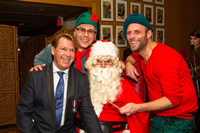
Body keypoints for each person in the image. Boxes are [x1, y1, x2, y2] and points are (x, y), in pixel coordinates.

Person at [121, 13, 198, 132]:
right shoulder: (142, 53)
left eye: (137, 32)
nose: (131, 36)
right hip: (160, 115)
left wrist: (138, 107)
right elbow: (131, 56)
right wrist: (128, 64)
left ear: (148, 34)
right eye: (129, 32)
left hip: (179, 119)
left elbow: (173, 99)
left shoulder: (164, 58)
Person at [17, 33, 103, 133]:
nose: (68, 54)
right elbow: (23, 111)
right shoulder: (36, 76)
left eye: (71, 50)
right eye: (63, 49)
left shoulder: (81, 79)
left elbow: (87, 112)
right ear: (53, 50)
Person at [76, 40, 149, 133]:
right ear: (92, 63)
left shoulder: (124, 86)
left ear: (113, 63)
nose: (103, 65)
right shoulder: (82, 83)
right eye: (98, 60)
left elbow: (141, 115)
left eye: (107, 61)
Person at [31, 12, 98, 74]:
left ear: (94, 36)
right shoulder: (58, 47)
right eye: (82, 30)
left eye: (90, 31)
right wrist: (41, 71)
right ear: (74, 33)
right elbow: (38, 59)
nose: (86, 35)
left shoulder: (98, 54)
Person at [179, 29, 200, 133]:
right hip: (189, 82)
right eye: (191, 38)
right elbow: (177, 59)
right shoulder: (186, 50)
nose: (192, 41)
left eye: (195, 39)